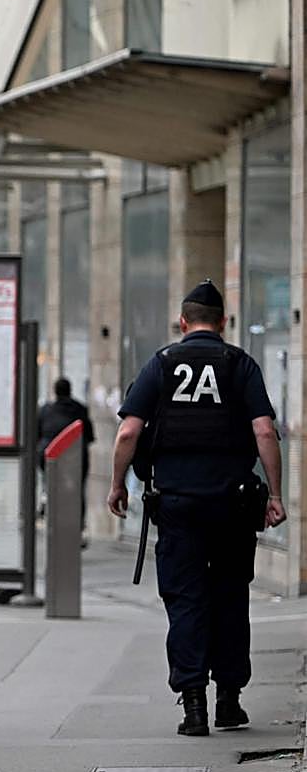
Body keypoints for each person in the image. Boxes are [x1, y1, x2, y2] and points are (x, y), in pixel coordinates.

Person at [109, 280, 286, 737]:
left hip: (176, 504)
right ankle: (229, 700)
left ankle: (193, 707)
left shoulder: (163, 364)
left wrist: (117, 486)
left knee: (185, 600)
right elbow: (264, 431)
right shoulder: (239, 364)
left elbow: (128, 433)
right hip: (231, 505)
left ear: (183, 322)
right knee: (230, 595)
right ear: (223, 323)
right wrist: (276, 495)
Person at [38, 377, 95, 539]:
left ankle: (48, 507)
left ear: (55, 391)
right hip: (76, 459)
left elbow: (37, 435)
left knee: (50, 486)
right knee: (77, 491)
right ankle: (78, 528)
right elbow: (90, 436)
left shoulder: (46, 410)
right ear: (70, 390)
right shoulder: (80, 409)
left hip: (49, 458)